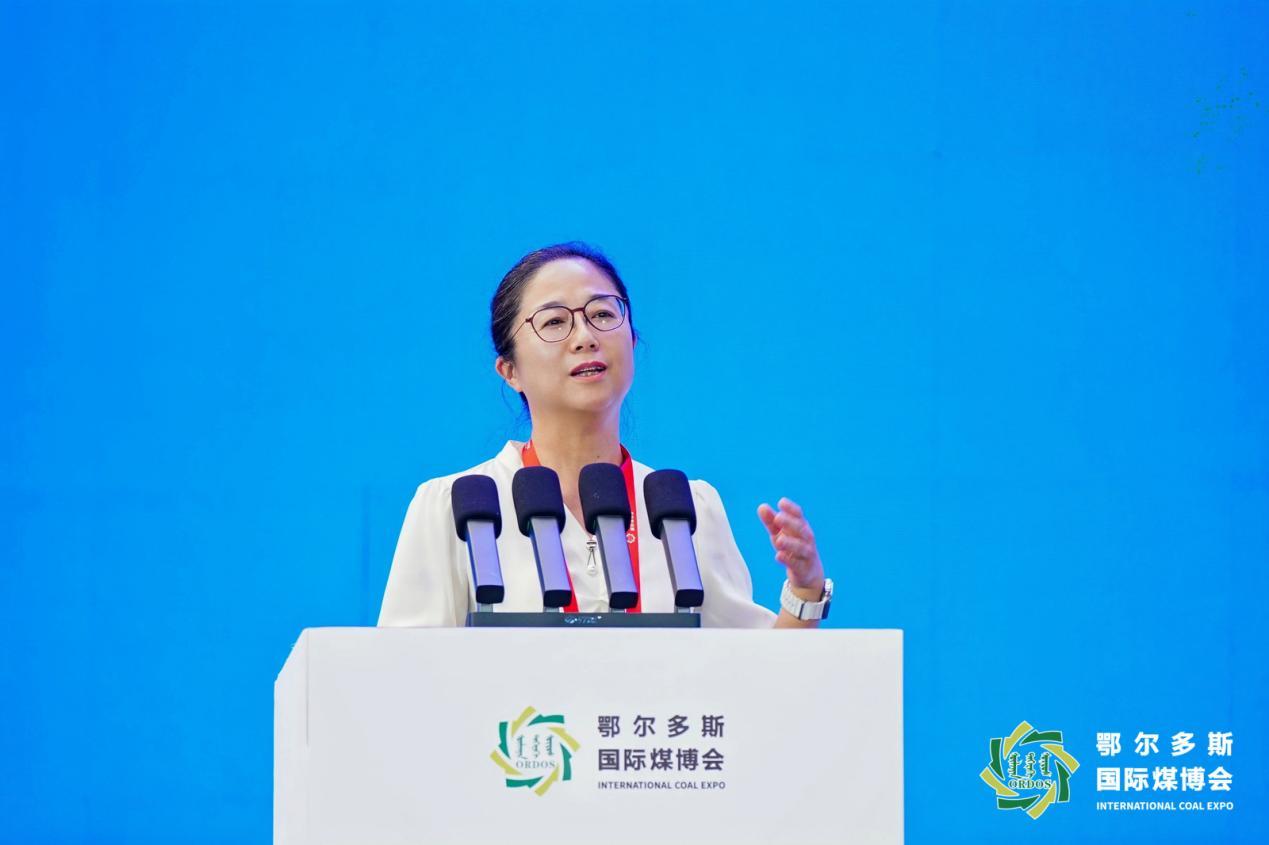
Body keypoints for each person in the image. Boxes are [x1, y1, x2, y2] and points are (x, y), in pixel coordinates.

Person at [378, 242, 831, 628]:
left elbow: (753, 675)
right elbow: (403, 673)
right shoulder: (457, 507)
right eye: (554, 322)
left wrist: (805, 589)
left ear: (631, 342)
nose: (585, 337)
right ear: (509, 370)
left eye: (602, 314)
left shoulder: (684, 510)